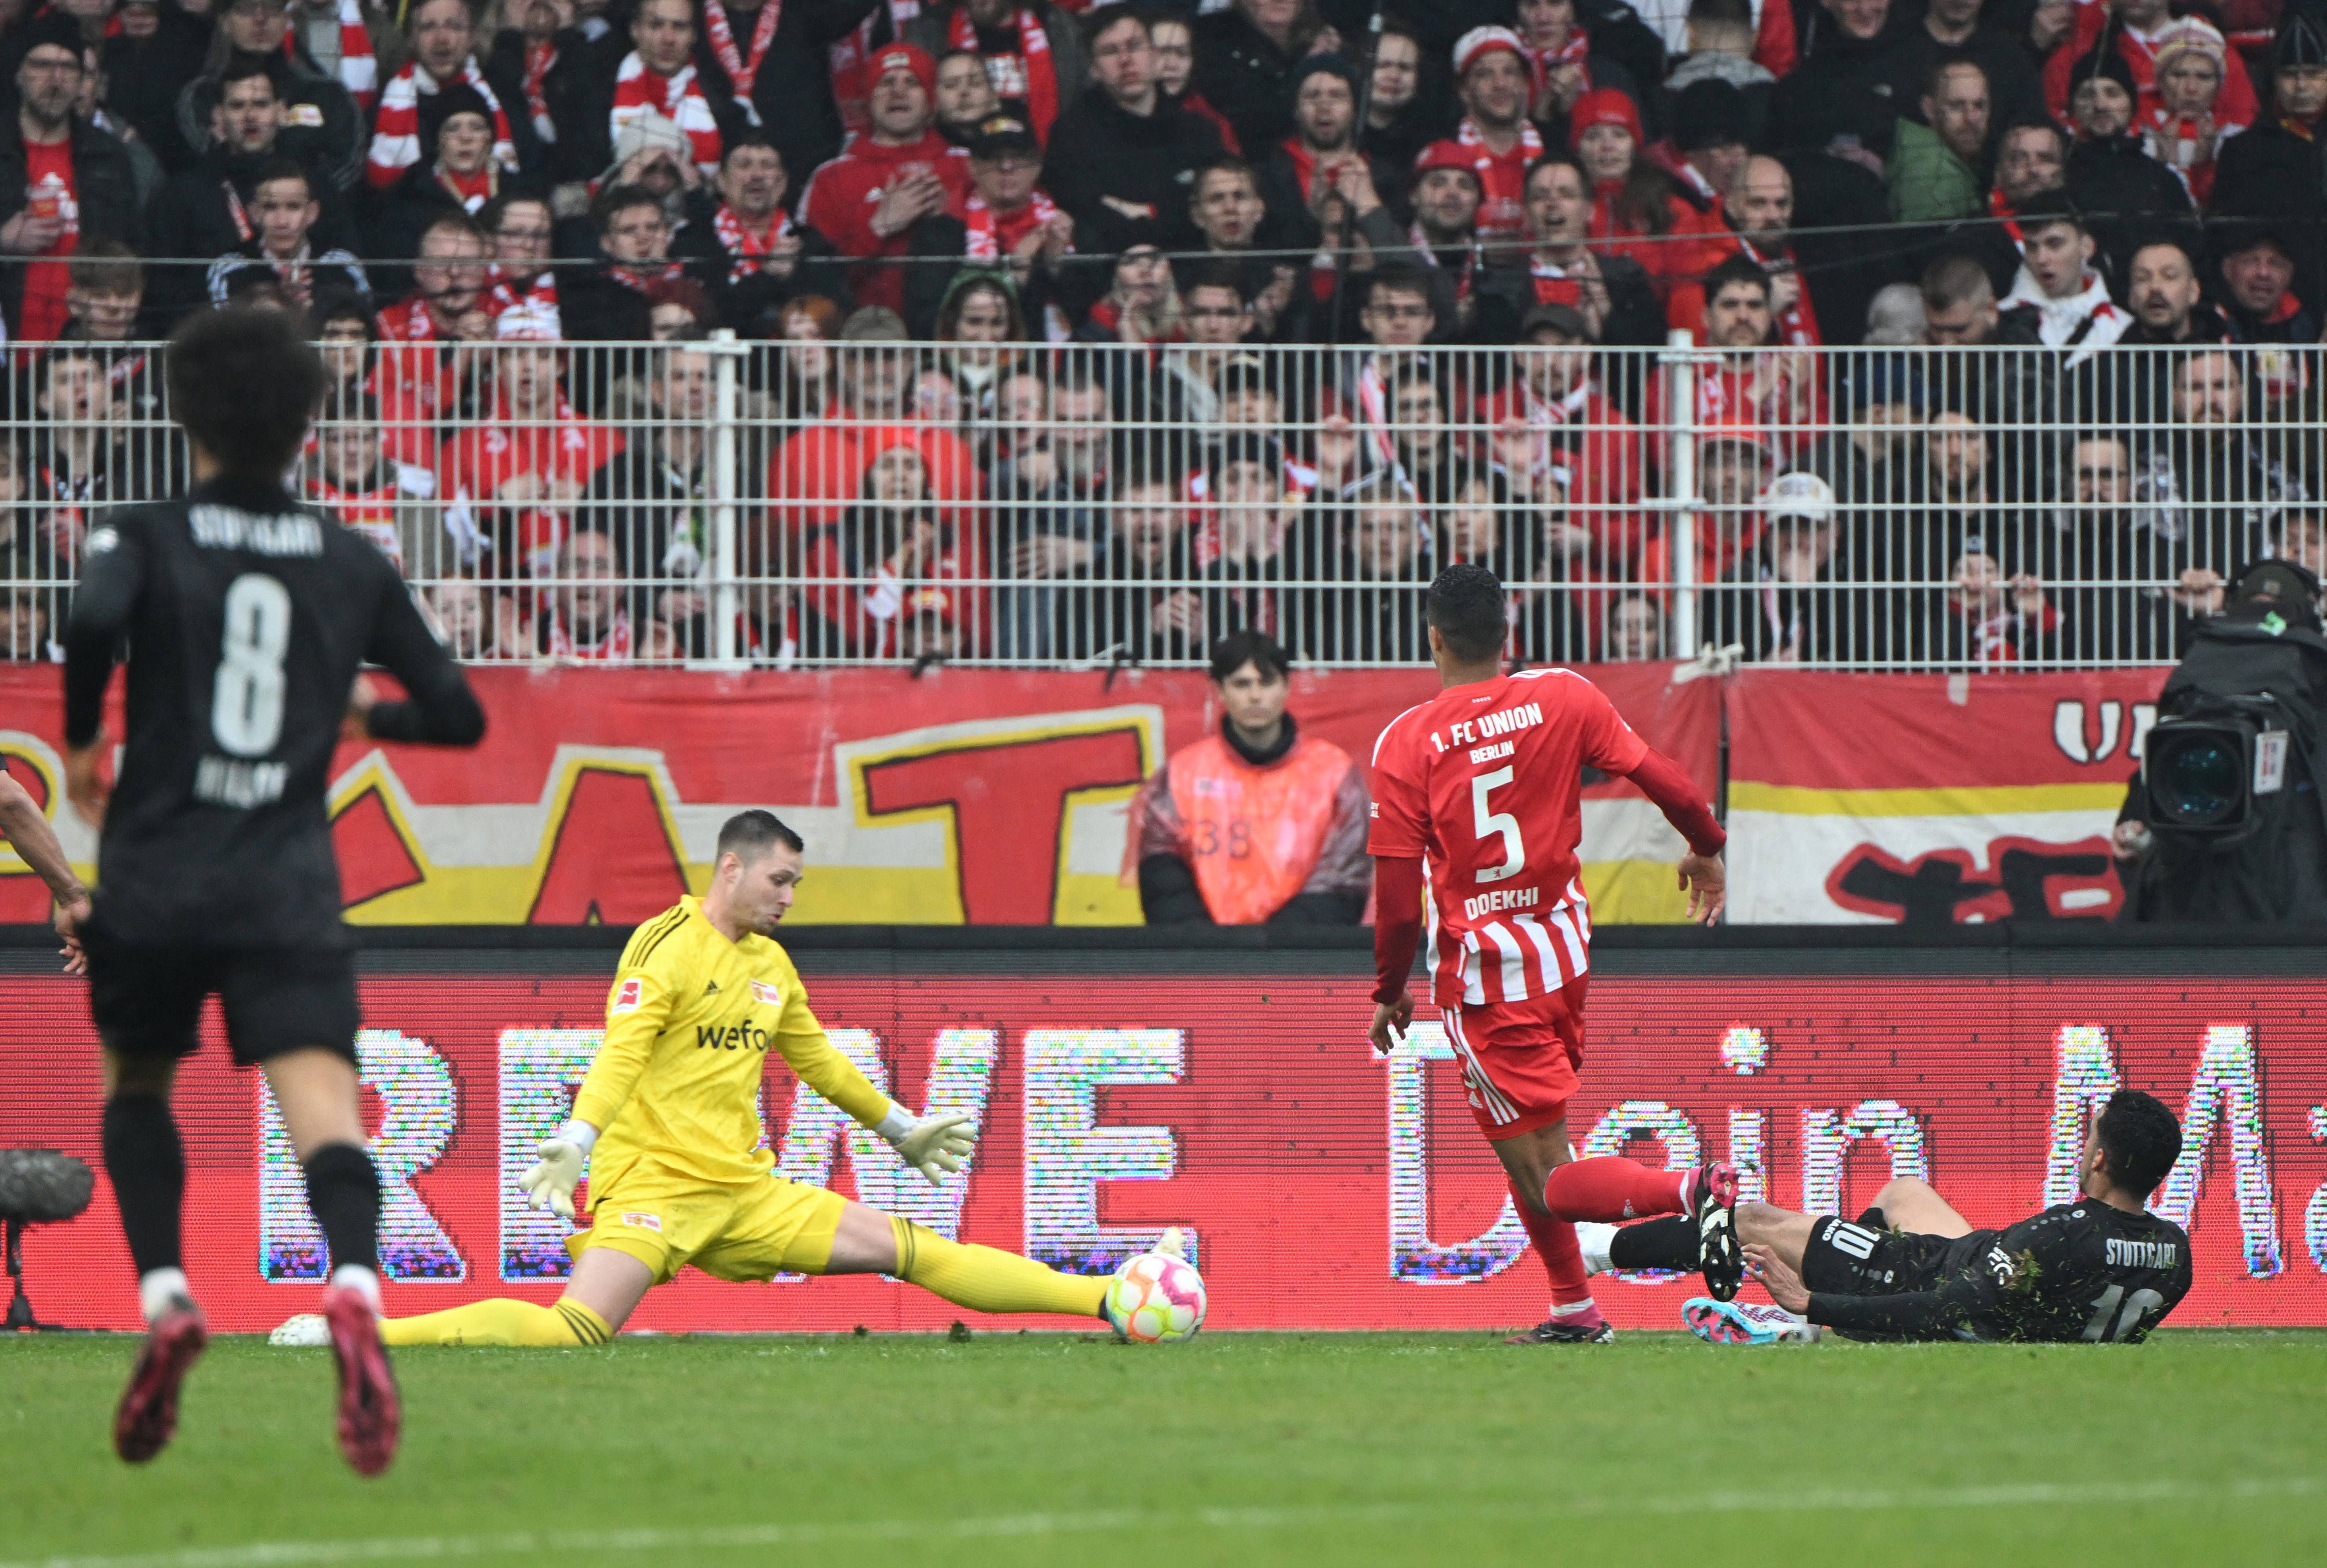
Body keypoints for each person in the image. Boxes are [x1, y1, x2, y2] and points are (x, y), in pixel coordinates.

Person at [59, 308, 486, 1474]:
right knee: (326, 1112)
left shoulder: (142, 531)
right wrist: (362, 712)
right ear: (308, 422)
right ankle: (353, 1286)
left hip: (154, 873)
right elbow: (459, 714)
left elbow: (92, 618)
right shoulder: (350, 556)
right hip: (285, 883)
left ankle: (165, 1298)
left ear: (181, 409)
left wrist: (83, 738)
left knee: (137, 1085)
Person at [271, 810, 1195, 1348]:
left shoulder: (770, 965)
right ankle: (362, 1333)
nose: (790, 899)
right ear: (732, 868)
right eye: (781, 881)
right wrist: (582, 1139)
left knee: (911, 1246)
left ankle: (1109, 1298)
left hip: (747, 1192)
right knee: (577, 1331)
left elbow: (820, 1061)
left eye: (796, 885)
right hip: (656, 1190)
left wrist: (899, 1127)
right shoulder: (665, 946)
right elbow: (623, 1051)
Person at [1366, 563, 1737, 1345]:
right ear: (1510, 633)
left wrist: (1388, 990)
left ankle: (1695, 1186)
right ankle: (1574, 1308)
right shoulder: (1563, 694)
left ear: (1433, 639)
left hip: (1488, 978)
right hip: (1564, 956)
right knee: (1536, 1145)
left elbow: (1398, 898)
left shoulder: (1406, 743)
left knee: (1547, 1177)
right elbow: (1662, 778)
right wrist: (1707, 847)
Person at [1596, 1091, 2192, 1347]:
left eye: (2088, 1139)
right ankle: (1796, 1325)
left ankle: (1591, 1248)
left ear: (2099, 1159)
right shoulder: (2176, 1253)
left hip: (1918, 1276)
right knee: (1902, 1190)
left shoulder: (2064, 1230)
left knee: (1752, 1218)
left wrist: (1814, 1301)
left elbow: (1945, 1307)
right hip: (1989, 1274)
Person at [1127, 631, 1370, 927]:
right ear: (1219, 690)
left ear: (1286, 687)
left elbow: (1345, 878)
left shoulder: (1334, 772)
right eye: (1242, 684)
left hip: (1296, 960)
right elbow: (1161, 866)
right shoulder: (1183, 773)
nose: (1255, 696)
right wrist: (1200, 943)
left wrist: (1279, 944)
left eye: (1266, 682)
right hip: (1204, 959)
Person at [799, 42, 971, 314]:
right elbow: (813, 281)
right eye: (886, 82)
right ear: (868, 97)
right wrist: (879, 227)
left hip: (955, 336)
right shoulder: (831, 177)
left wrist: (949, 220)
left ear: (931, 101)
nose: (898, 91)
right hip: (863, 340)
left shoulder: (967, 165)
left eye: (912, 82)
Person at [1040, 6, 1226, 253]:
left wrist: (1145, 212)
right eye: (1110, 51)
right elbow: (1086, 221)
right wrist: (1169, 212)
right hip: (1106, 273)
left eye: (1135, 46)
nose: (1125, 60)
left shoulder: (1199, 131)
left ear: (1155, 57)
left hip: (1189, 271)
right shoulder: (1071, 135)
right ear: (1094, 69)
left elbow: (1212, 214)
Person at [1, 17, 141, 342]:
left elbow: (131, 246)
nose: (56, 79)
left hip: (85, 341)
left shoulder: (109, 153)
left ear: (82, 81)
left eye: (69, 68)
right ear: (18, 74)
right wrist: (4, 242)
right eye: (42, 65)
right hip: (9, 333)